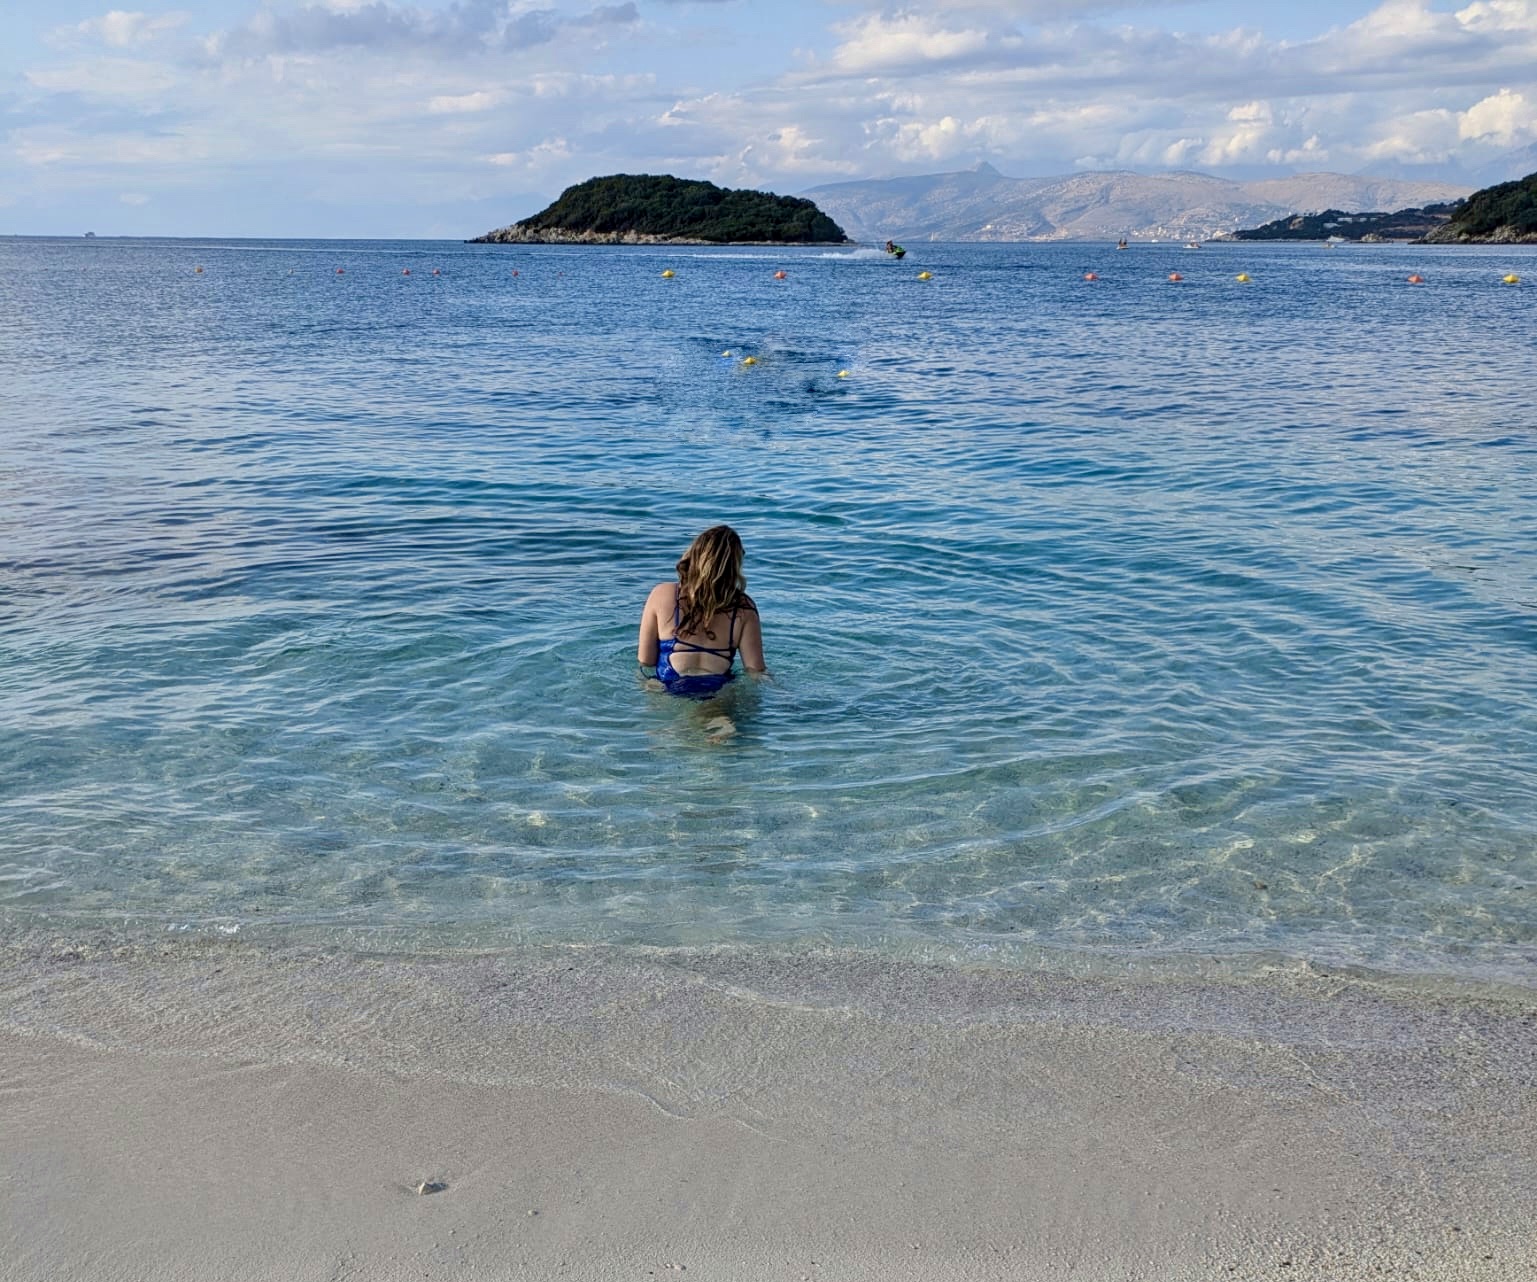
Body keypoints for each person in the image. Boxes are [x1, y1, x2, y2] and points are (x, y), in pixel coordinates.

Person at [638, 525, 766, 698]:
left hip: (669, 683)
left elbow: (646, 660)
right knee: (718, 710)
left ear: (695, 555)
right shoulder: (744, 608)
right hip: (717, 687)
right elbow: (755, 671)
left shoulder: (661, 594)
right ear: (734, 566)